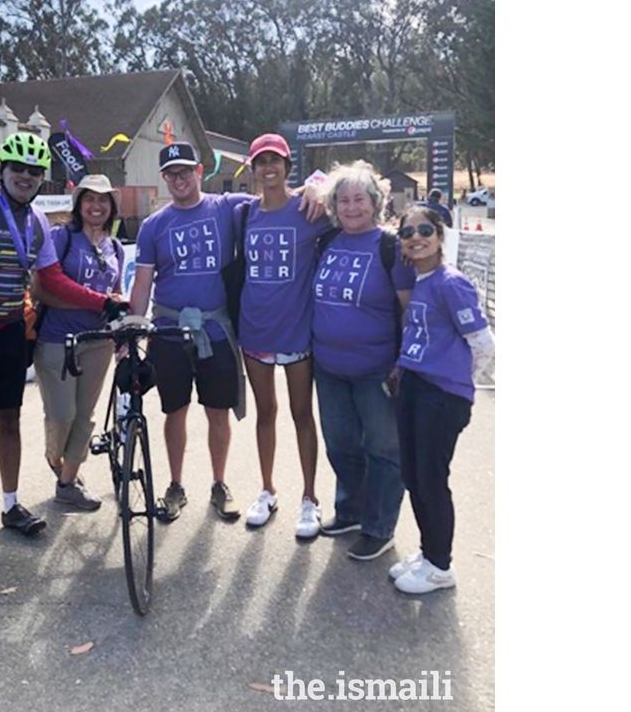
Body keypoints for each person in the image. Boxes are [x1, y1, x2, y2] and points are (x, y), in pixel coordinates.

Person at [0, 132, 128, 556]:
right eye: (18, 169)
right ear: (3, 170)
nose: (25, 177)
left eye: (34, 172)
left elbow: (49, 279)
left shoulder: (37, 224)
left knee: (8, 423)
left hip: (11, 331)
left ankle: (10, 506)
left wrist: (105, 304)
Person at [128, 142, 324, 523]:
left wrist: (315, 185)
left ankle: (220, 484)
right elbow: (142, 283)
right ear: (163, 178)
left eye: (186, 171)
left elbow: (282, 193)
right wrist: (134, 331)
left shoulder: (228, 207)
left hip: (217, 329)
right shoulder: (154, 226)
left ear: (200, 171)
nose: (179, 179)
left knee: (218, 412)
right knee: (175, 411)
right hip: (169, 329)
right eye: (171, 174)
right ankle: (176, 485)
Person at [310, 160, 416, 562]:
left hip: (377, 370)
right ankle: (350, 511)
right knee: (341, 445)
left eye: (360, 199)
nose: (352, 207)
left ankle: (379, 526)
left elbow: (409, 310)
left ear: (375, 203)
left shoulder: (390, 247)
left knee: (384, 449)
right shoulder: (328, 241)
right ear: (334, 205)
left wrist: (403, 361)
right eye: (344, 199)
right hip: (329, 368)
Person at [389, 204, 494, 594]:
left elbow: (483, 343)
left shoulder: (451, 283)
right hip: (415, 385)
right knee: (414, 476)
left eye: (424, 230)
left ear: (439, 236)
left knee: (432, 479)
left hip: (441, 395)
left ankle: (440, 565)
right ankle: (429, 552)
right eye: (407, 232)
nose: (416, 237)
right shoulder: (422, 281)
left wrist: (459, 383)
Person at [233, 134, 333, 539]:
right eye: (261, 162)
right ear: (252, 169)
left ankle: (309, 497)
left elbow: (354, 195)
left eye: (275, 161)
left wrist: (320, 185)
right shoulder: (244, 214)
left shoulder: (310, 209)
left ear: (288, 167)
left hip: (298, 332)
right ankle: (267, 489)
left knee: (302, 414)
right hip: (254, 330)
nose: (268, 168)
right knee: (265, 413)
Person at [31, 173, 125, 511]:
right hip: (58, 339)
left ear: (112, 206)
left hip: (98, 341)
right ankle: (57, 462)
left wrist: (116, 309)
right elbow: (40, 289)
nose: (96, 205)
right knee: (61, 414)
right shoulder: (61, 238)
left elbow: (113, 294)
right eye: (89, 198)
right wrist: (96, 301)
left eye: (103, 199)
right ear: (78, 204)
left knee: (85, 416)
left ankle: (67, 483)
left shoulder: (114, 247)